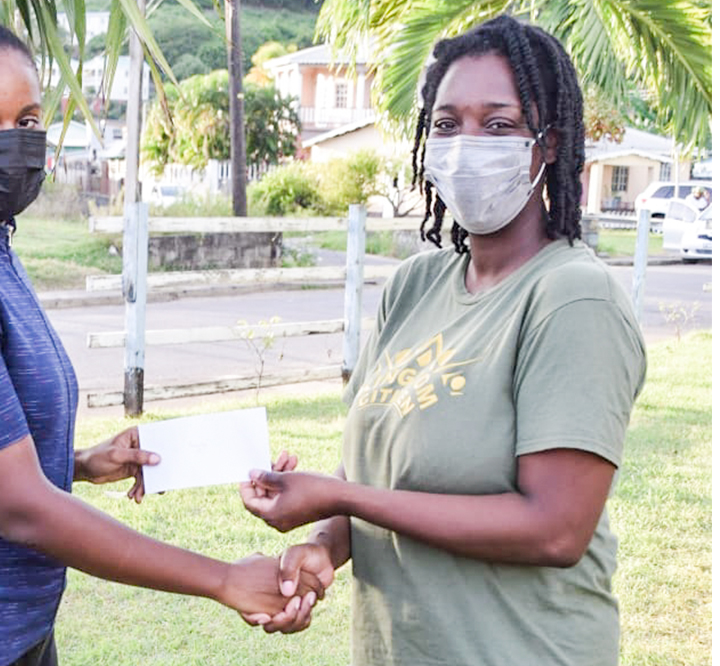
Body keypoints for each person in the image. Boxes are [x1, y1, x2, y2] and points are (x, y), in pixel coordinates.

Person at [0, 15, 319, 666]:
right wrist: (223, 578)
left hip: (13, 630)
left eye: (27, 120)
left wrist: (82, 462)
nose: (9, 142)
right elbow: (20, 510)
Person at [240, 15, 647, 666]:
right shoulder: (416, 285)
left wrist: (342, 497)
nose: (468, 145)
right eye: (448, 124)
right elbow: (377, 468)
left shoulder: (572, 298)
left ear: (549, 145)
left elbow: (555, 529)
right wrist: (324, 545)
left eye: (499, 125)